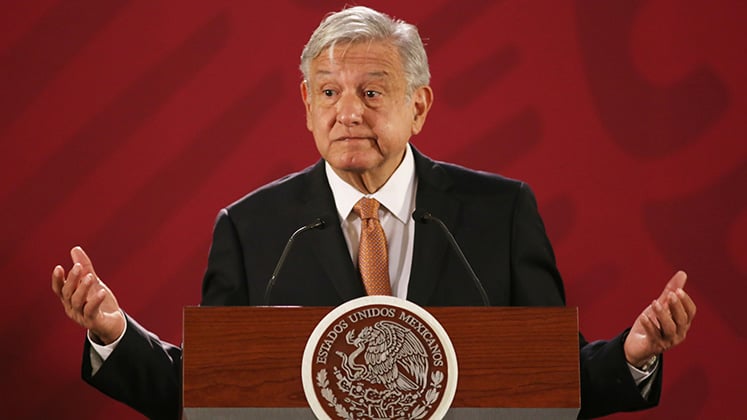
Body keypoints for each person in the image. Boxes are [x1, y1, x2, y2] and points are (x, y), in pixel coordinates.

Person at [51, 6, 696, 420]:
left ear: (419, 106)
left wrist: (633, 354)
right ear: (306, 104)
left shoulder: (498, 214)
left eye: (371, 91)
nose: (348, 111)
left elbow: (551, 379)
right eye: (329, 92)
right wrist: (114, 334)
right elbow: (208, 391)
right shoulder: (252, 230)